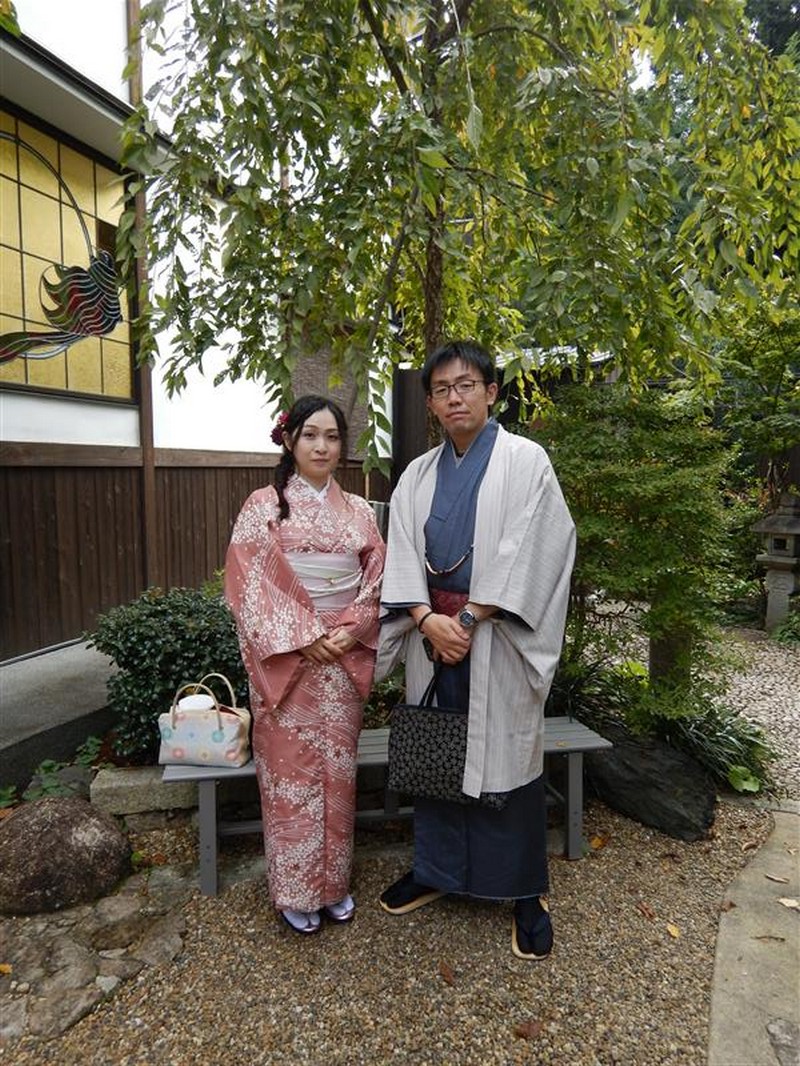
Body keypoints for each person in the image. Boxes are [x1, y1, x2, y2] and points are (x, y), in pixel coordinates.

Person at [376, 340, 575, 960]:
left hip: (496, 634)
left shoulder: (526, 461)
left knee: (505, 761)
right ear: (432, 403)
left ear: (491, 392)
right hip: (432, 633)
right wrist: (425, 619)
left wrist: (467, 617)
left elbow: (538, 547)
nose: (454, 397)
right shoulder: (417, 474)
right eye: (441, 389)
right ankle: (435, 871)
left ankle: (523, 891)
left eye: (466, 385)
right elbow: (400, 552)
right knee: (436, 753)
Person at [224, 396, 385, 935]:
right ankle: (295, 890)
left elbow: (376, 577)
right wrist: (303, 636)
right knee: (289, 774)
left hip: (340, 657)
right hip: (289, 664)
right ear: (290, 440)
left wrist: (351, 629)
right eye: (311, 435)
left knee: (337, 774)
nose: (322, 446)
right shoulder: (263, 505)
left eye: (332, 437)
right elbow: (247, 584)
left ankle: (333, 885)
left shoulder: (359, 510)